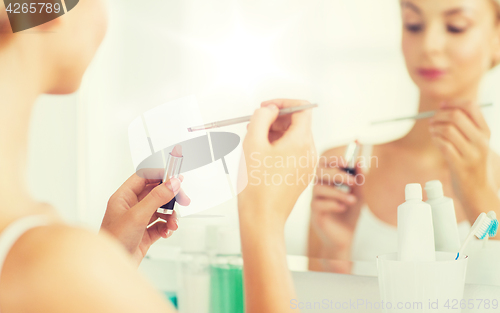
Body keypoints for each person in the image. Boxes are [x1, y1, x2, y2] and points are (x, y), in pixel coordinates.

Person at [0, 0, 317, 311]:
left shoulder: (48, 266)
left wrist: (111, 261)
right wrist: (263, 222)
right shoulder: (56, 267)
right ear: (45, 5)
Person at [308, 0, 500, 267]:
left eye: (456, 27)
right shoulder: (345, 169)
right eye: (413, 24)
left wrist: (477, 191)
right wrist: (335, 252)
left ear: (497, 38)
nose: (429, 45)